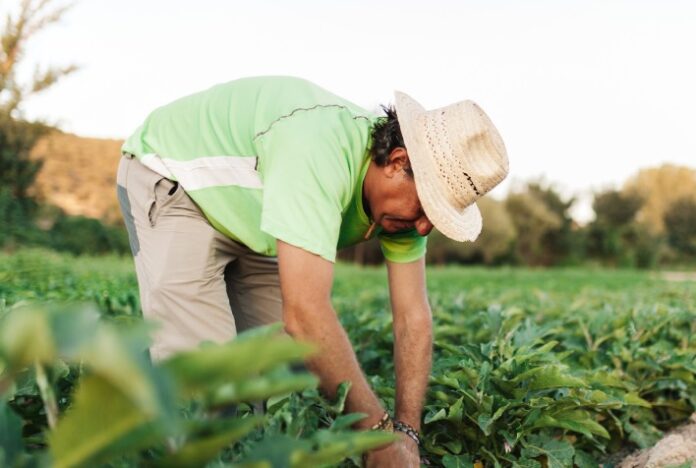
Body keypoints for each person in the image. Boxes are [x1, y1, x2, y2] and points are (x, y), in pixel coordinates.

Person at [116, 76, 508, 467]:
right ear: (398, 162)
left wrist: (406, 433)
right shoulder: (318, 151)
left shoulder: (402, 211)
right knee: (207, 382)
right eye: (427, 208)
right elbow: (305, 314)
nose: (425, 227)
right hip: (175, 179)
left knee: (279, 378)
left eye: (437, 217)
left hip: (258, 219)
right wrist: (376, 435)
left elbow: (412, 318)